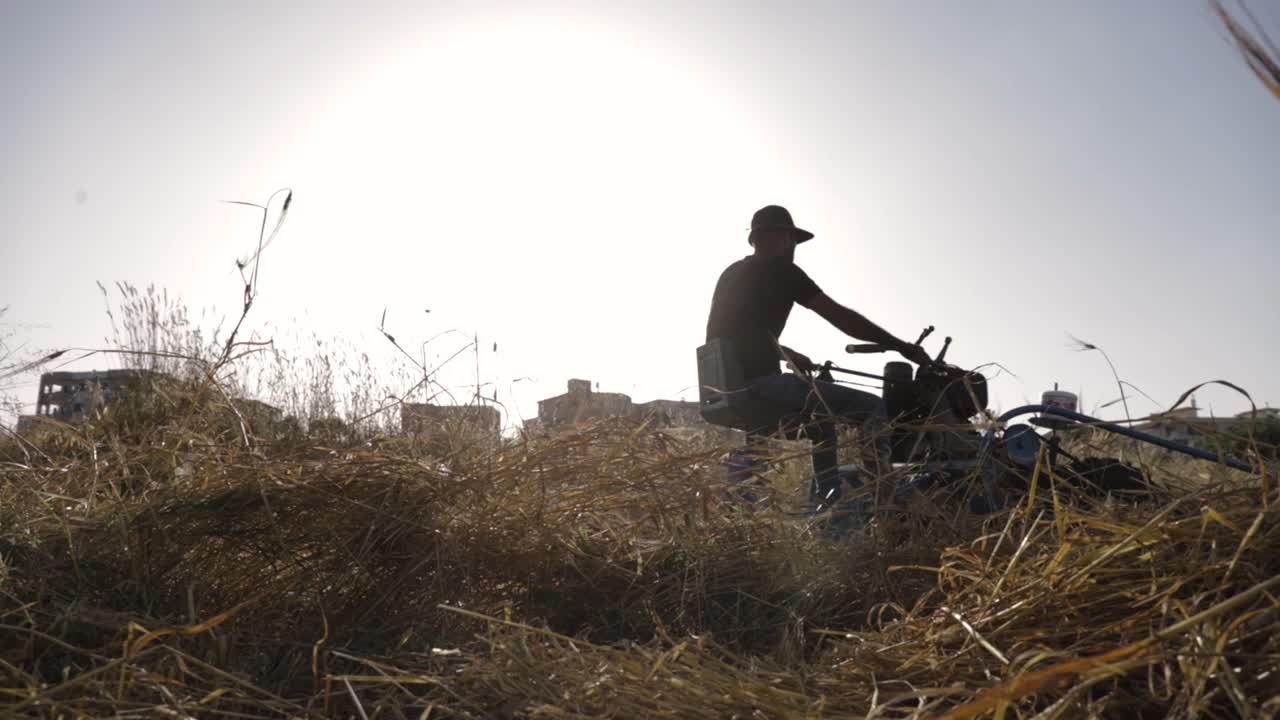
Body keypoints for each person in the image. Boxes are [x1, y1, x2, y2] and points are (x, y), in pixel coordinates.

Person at [705, 205, 932, 509]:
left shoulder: (733, 273)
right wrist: (900, 345)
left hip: (728, 389)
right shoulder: (782, 270)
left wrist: (786, 353)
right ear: (780, 237)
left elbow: (737, 331)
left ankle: (825, 507)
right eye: (792, 240)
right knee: (872, 408)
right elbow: (840, 317)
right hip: (760, 383)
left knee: (822, 424)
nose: (794, 248)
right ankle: (886, 505)